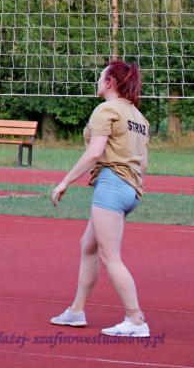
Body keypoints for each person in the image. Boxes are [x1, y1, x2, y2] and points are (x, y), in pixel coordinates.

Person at [50, 60, 151, 338]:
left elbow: (95, 153)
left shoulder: (106, 109)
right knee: (88, 246)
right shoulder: (139, 118)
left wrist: (65, 181)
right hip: (130, 188)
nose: (97, 81)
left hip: (112, 186)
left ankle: (136, 320)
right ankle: (76, 311)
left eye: (100, 77)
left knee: (109, 256)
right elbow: (143, 163)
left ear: (109, 83)